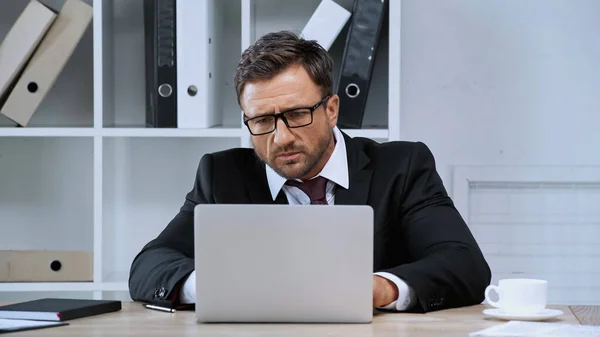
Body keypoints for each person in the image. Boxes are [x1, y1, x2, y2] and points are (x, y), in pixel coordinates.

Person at [128, 30, 491, 313]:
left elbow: (465, 266)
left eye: (298, 115)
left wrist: (380, 288)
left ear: (331, 109)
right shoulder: (221, 175)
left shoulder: (402, 167)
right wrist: (215, 285)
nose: (281, 138)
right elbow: (148, 267)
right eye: (262, 121)